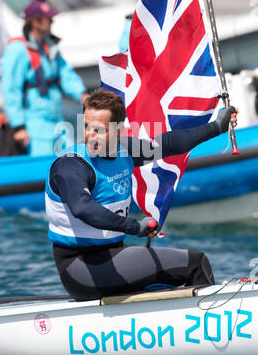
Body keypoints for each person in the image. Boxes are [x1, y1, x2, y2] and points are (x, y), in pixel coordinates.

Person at [45, 89, 238, 301]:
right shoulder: (71, 165)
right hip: (80, 267)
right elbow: (83, 208)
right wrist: (135, 227)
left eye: (99, 130)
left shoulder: (124, 151)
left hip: (113, 258)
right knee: (195, 263)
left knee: (177, 273)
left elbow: (169, 143)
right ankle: (207, 321)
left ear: (118, 131)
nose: (90, 136)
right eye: (86, 127)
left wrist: (217, 127)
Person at [0, 0, 89, 156]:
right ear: (35, 22)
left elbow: (65, 74)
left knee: (72, 158)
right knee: (42, 164)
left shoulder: (49, 47)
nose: (52, 22)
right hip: (35, 124)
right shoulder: (17, 50)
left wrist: (82, 94)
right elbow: (11, 90)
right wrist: (19, 127)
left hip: (57, 119)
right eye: (49, 19)